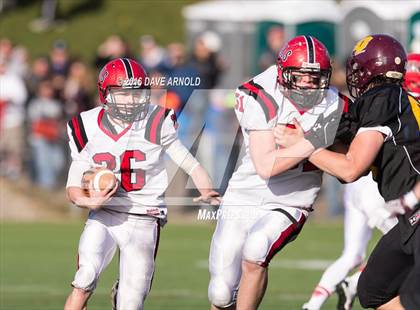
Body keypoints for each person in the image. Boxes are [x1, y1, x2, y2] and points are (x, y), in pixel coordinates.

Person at [274, 34, 419, 310]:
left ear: (367, 71)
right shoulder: (400, 101)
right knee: (372, 290)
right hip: (408, 218)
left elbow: (352, 169)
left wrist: (305, 146)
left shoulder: (384, 96)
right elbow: (346, 166)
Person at [63, 58, 220, 310]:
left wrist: (202, 181)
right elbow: (73, 186)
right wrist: (90, 200)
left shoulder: (156, 119)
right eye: (123, 93)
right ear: (105, 93)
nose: (131, 100)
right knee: (84, 278)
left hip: (144, 214)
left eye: (136, 93)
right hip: (105, 213)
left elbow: (182, 156)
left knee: (131, 302)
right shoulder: (87, 125)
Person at [207, 35, 349, 310]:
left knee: (257, 249)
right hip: (245, 193)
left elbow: (348, 165)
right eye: (300, 76)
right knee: (221, 293)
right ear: (283, 74)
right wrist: (314, 140)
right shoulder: (259, 93)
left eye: (316, 77)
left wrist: (306, 142)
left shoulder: (335, 104)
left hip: (291, 199)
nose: (308, 84)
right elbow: (266, 166)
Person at [302, 173, 397, 310]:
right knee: (406, 244)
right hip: (375, 188)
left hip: (354, 186)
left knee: (352, 255)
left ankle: (312, 305)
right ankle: (353, 283)